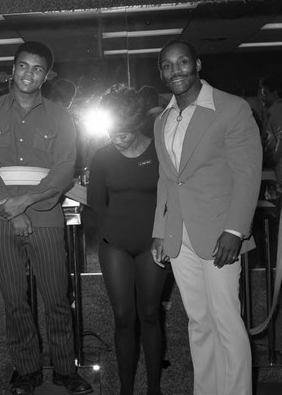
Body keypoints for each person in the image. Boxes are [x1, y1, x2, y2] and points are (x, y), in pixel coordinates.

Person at [0, 41, 93, 395]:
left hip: (44, 212)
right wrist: (10, 205)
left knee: (57, 296)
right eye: (23, 66)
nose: (29, 74)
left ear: (47, 75)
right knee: (14, 299)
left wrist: (25, 202)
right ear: (13, 68)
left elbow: (64, 169)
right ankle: (26, 370)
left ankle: (65, 370)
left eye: (37, 69)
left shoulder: (60, 116)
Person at [151, 40, 262, 395]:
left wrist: (235, 230)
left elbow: (247, 173)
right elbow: (167, 180)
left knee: (226, 320)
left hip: (219, 234)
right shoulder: (163, 119)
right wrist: (159, 231)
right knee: (198, 322)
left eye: (182, 62)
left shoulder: (231, 108)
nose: (175, 71)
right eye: (167, 66)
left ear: (197, 64)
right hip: (179, 234)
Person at [88, 84, 167, 395]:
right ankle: (125, 389)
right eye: (112, 131)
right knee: (123, 316)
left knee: (149, 314)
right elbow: (96, 201)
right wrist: (111, 234)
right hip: (116, 246)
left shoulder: (159, 150)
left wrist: (161, 234)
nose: (116, 137)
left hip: (153, 244)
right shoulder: (102, 155)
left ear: (136, 124)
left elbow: (169, 197)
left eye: (123, 132)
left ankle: (154, 389)